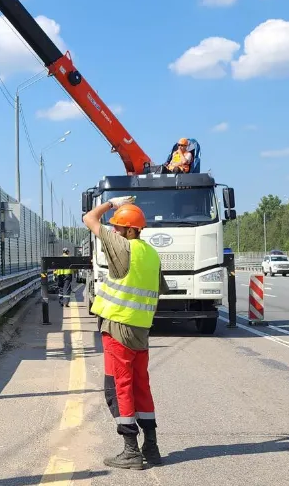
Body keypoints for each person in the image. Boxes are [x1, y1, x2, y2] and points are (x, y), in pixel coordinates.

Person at [82, 196, 170, 470]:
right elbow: (158, 288)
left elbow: (89, 219)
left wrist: (111, 203)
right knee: (141, 385)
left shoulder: (123, 247)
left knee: (118, 388)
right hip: (141, 330)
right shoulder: (151, 254)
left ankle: (130, 451)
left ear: (131, 231)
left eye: (119, 228)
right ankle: (151, 447)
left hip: (118, 327)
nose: (115, 232)